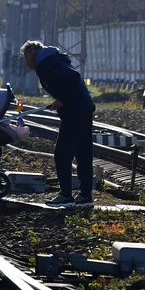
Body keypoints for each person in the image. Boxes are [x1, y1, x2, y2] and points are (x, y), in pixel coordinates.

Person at [21, 40, 96, 208]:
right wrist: (60, 99)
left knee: (62, 154)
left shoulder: (49, 63)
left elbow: (73, 78)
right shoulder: (52, 60)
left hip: (75, 112)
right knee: (83, 154)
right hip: (83, 109)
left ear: (33, 53)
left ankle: (66, 195)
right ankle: (85, 195)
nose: (27, 64)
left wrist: (61, 98)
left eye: (27, 59)